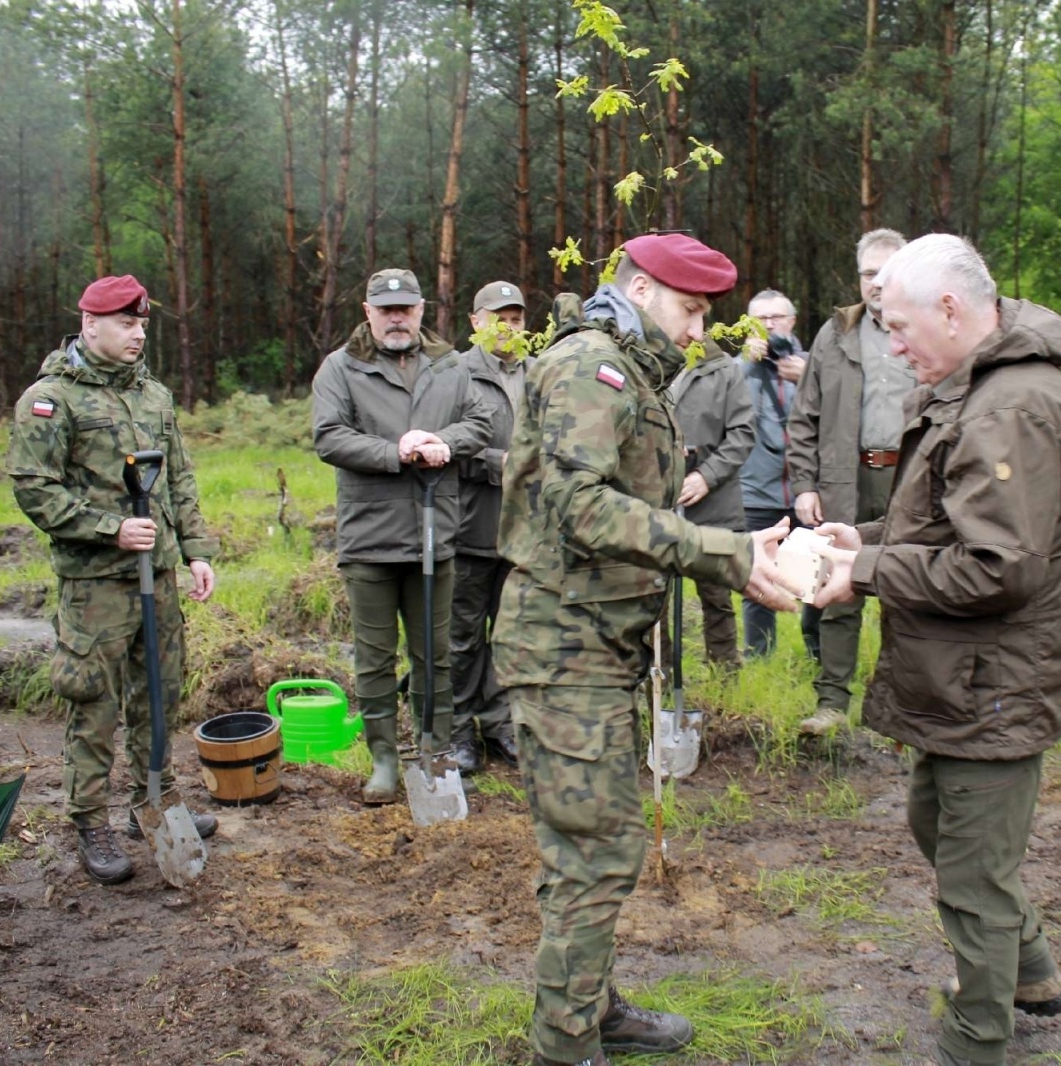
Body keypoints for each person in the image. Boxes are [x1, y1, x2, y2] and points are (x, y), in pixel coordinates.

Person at [493, 233, 796, 1066]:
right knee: (597, 848)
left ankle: (587, 1005)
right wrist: (721, 552)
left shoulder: (626, 370)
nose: (701, 330)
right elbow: (579, 510)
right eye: (692, 309)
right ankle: (567, 1043)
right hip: (565, 651)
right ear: (639, 288)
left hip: (594, 646)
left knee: (589, 843)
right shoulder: (592, 367)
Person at [807, 234, 1061, 1066]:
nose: (891, 346)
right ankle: (1032, 970)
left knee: (971, 873)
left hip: (994, 680)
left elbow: (996, 569)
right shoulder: (976, 387)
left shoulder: (1010, 407)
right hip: (961, 680)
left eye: (898, 328)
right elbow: (941, 517)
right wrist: (854, 537)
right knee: (939, 826)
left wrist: (860, 570)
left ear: (952, 310)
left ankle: (977, 1038)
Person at [7, 274, 220, 886]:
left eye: (143, 325)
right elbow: (35, 488)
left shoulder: (154, 396)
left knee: (159, 693)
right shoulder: (51, 400)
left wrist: (196, 551)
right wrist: (108, 529)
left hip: (159, 576)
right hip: (96, 584)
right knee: (93, 703)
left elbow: (180, 479)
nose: (137, 335)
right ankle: (90, 821)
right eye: (127, 324)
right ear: (89, 324)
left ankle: (153, 799)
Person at [311, 268, 493, 804]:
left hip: (437, 530)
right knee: (374, 657)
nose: (396, 317)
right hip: (370, 535)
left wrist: (444, 441)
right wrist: (398, 450)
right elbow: (329, 436)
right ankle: (385, 760)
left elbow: (479, 424)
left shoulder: (450, 365)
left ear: (420, 311)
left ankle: (434, 752)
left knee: (434, 654)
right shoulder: (341, 368)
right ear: (367, 312)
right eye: (385, 308)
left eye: (405, 308)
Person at [786, 227, 911, 733]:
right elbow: (804, 416)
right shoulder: (834, 334)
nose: (877, 283)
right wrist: (805, 484)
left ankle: (905, 705)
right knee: (838, 586)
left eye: (887, 273)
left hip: (907, 479)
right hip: (843, 479)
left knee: (909, 587)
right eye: (867, 274)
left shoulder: (923, 328)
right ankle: (832, 703)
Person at [447, 280, 528, 774]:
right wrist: (508, 463)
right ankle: (457, 730)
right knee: (461, 636)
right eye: (499, 317)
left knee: (511, 635)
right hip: (470, 528)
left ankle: (500, 725)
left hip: (524, 534)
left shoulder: (539, 373)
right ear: (476, 322)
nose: (509, 327)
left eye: (517, 318)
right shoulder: (455, 373)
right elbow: (447, 445)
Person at [738, 289, 821, 659]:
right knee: (757, 579)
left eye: (776, 317)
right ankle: (759, 657)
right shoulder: (737, 369)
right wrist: (745, 365)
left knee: (817, 578)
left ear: (792, 321)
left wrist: (810, 377)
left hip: (809, 494)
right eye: (761, 319)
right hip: (757, 492)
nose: (769, 325)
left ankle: (818, 654)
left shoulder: (818, 366)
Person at [667, 337, 755, 669]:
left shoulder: (725, 371)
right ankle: (655, 679)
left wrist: (707, 475)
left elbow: (743, 432)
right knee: (652, 600)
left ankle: (725, 677)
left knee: (717, 599)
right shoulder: (644, 362)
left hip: (714, 504)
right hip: (657, 503)